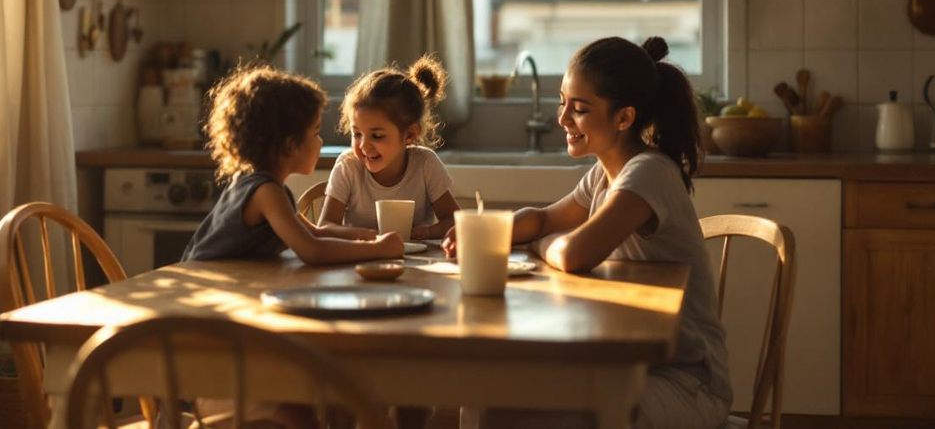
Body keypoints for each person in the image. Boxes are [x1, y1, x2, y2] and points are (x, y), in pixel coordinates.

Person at [443, 36, 731, 429]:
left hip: (684, 382)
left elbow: (575, 253)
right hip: (626, 363)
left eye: (579, 109)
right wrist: (486, 235)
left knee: (510, 413)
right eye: (562, 102)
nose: (563, 118)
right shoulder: (603, 174)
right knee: (487, 399)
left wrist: (538, 244)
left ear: (623, 118)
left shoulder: (649, 172)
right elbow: (542, 219)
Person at [182, 65, 403, 266]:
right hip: (206, 281)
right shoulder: (266, 192)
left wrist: (367, 236)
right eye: (315, 132)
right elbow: (313, 250)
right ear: (290, 145)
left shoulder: (266, 187)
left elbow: (316, 233)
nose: (320, 142)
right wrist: (378, 249)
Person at [318, 54, 460, 242]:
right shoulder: (348, 166)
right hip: (360, 257)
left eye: (377, 136)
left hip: (415, 258)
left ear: (409, 135)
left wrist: (427, 232)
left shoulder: (425, 164)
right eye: (356, 134)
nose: (363, 145)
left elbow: (455, 221)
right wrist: (371, 238)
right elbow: (325, 226)